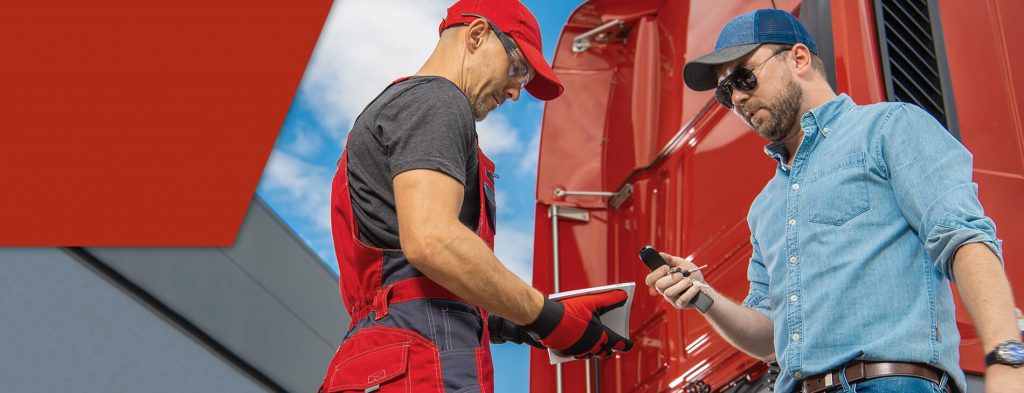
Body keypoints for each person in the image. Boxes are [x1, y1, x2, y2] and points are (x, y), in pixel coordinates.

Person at [644, 9, 1022, 393]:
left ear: (799, 58)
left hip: (888, 383)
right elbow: (769, 336)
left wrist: (1006, 356)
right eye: (726, 92)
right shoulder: (765, 207)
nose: (738, 97)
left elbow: (964, 239)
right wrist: (705, 299)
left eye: (744, 77)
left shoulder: (889, 128)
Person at [318, 1, 632, 392]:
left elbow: (408, 278)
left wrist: (512, 322)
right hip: (418, 362)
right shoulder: (436, 100)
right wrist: (548, 318)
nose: (517, 91)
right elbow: (433, 241)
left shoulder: (404, 107)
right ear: (478, 34)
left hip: (385, 357)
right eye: (518, 68)